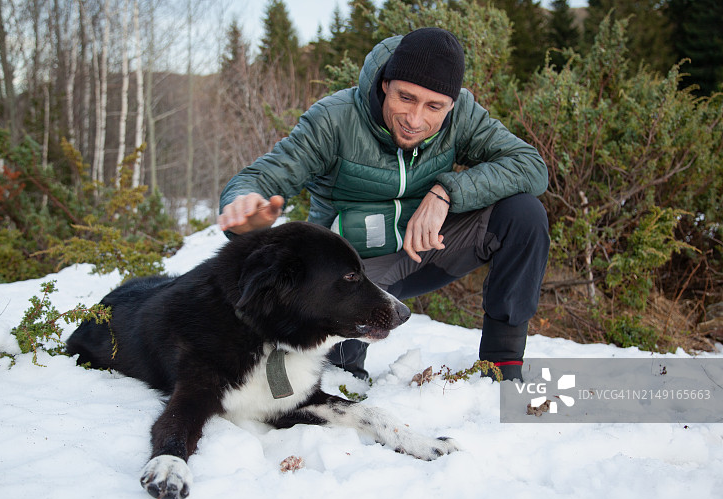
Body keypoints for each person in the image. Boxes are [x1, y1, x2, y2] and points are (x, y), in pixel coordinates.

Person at [217, 27, 549, 381]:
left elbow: (530, 165)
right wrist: (244, 206)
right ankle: (343, 374)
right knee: (336, 374)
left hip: (428, 249)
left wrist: (447, 192)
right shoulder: (335, 119)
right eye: (405, 98)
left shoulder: (462, 116)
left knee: (523, 214)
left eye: (434, 107)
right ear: (386, 84)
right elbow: (262, 177)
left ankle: (502, 364)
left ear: (452, 104)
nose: (415, 119)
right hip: (354, 271)